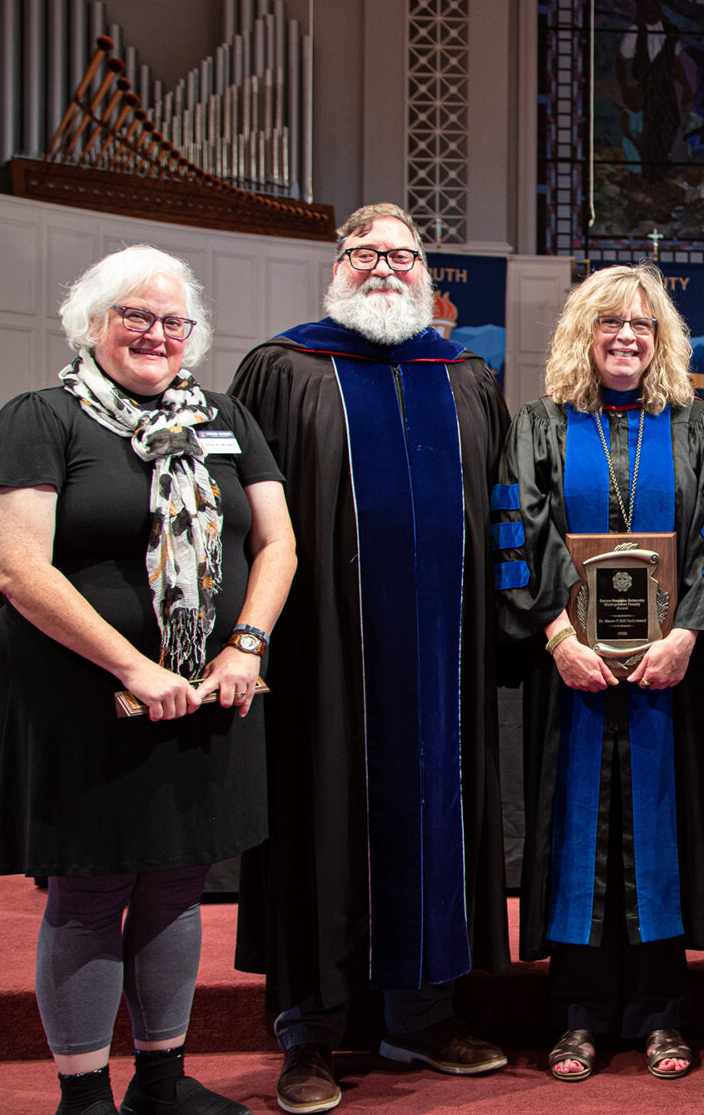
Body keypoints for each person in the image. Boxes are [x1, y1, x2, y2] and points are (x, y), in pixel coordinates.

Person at [0, 246, 296, 1115]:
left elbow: (277, 543)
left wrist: (248, 645)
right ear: (93, 323)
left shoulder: (223, 416)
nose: (156, 333)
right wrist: (134, 666)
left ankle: (162, 1078)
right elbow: (17, 569)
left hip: (207, 695)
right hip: (83, 700)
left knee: (177, 880)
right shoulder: (41, 418)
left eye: (172, 321)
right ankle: (84, 1094)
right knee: (90, 889)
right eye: (135, 316)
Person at [228, 204, 511, 1114]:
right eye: (366, 252)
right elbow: (246, 525)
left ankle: (420, 1016)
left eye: (404, 253)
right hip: (322, 661)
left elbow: (501, 511)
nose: (385, 266)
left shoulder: (465, 376)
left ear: (428, 272)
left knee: (436, 813)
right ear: (338, 265)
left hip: (442, 660)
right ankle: (308, 1030)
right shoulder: (282, 369)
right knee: (322, 814)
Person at [493, 263, 704, 1081]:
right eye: (610, 322)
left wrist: (686, 638)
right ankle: (574, 1018)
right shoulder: (539, 423)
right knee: (576, 829)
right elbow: (515, 533)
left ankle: (662, 1013)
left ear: (663, 337)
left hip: (666, 678)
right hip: (568, 671)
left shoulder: (695, 425)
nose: (626, 337)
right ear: (583, 332)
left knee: (661, 833)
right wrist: (558, 635)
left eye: (642, 324)